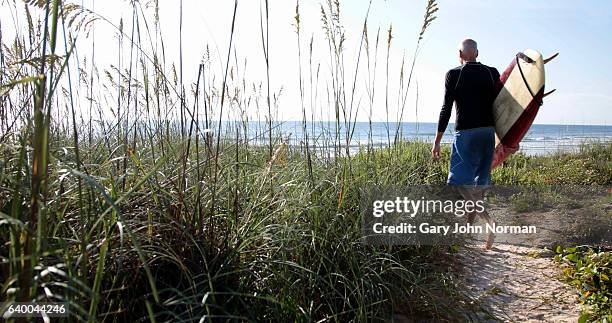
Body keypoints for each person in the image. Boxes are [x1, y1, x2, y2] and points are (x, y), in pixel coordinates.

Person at [432, 39, 500, 249]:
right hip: (488, 134)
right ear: (477, 53)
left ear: (459, 54)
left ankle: (489, 221)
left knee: (460, 182)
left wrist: (437, 142)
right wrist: (503, 139)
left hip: (466, 134)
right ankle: (467, 232)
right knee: (477, 186)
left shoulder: (454, 74)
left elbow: (446, 109)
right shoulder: (492, 73)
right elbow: (504, 105)